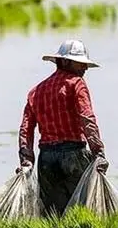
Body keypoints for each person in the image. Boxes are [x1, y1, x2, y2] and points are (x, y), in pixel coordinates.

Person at [17, 40, 109, 217]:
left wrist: (27, 161)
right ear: (65, 62)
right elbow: (87, 119)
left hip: (46, 160)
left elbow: (25, 129)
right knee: (82, 212)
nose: (85, 68)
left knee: (52, 216)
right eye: (80, 63)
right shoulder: (76, 84)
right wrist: (98, 153)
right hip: (74, 155)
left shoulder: (36, 91)